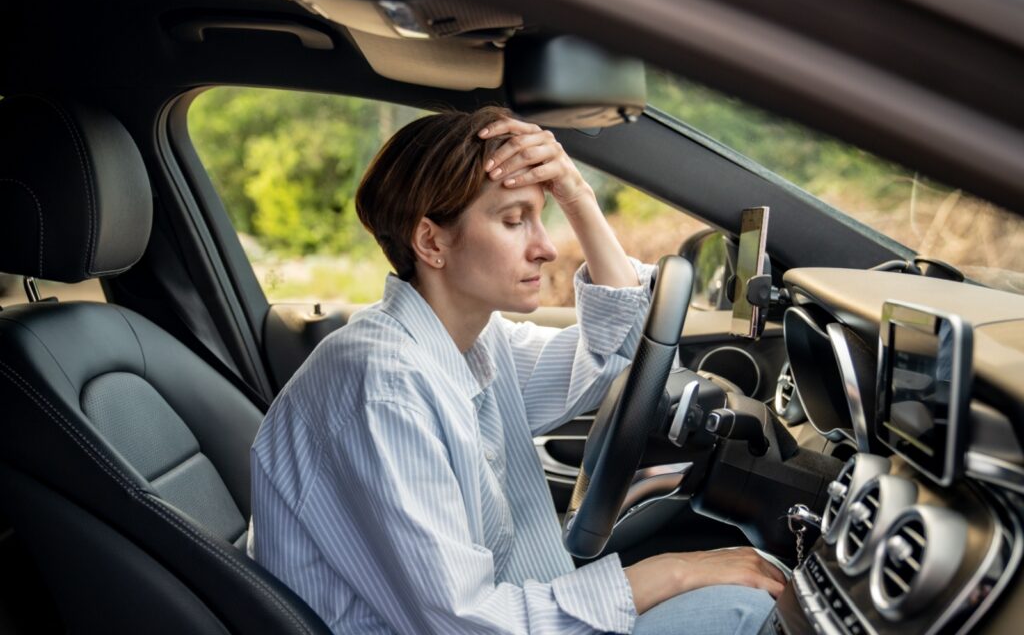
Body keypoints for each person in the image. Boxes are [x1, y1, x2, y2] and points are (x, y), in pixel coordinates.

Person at [249, 106, 784, 634]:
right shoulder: (381, 388)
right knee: (751, 608)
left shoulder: (475, 340)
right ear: (431, 242)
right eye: (513, 221)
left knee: (750, 591)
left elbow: (619, 354)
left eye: (541, 218)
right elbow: (464, 622)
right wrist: (671, 572)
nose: (546, 249)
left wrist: (578, 197)